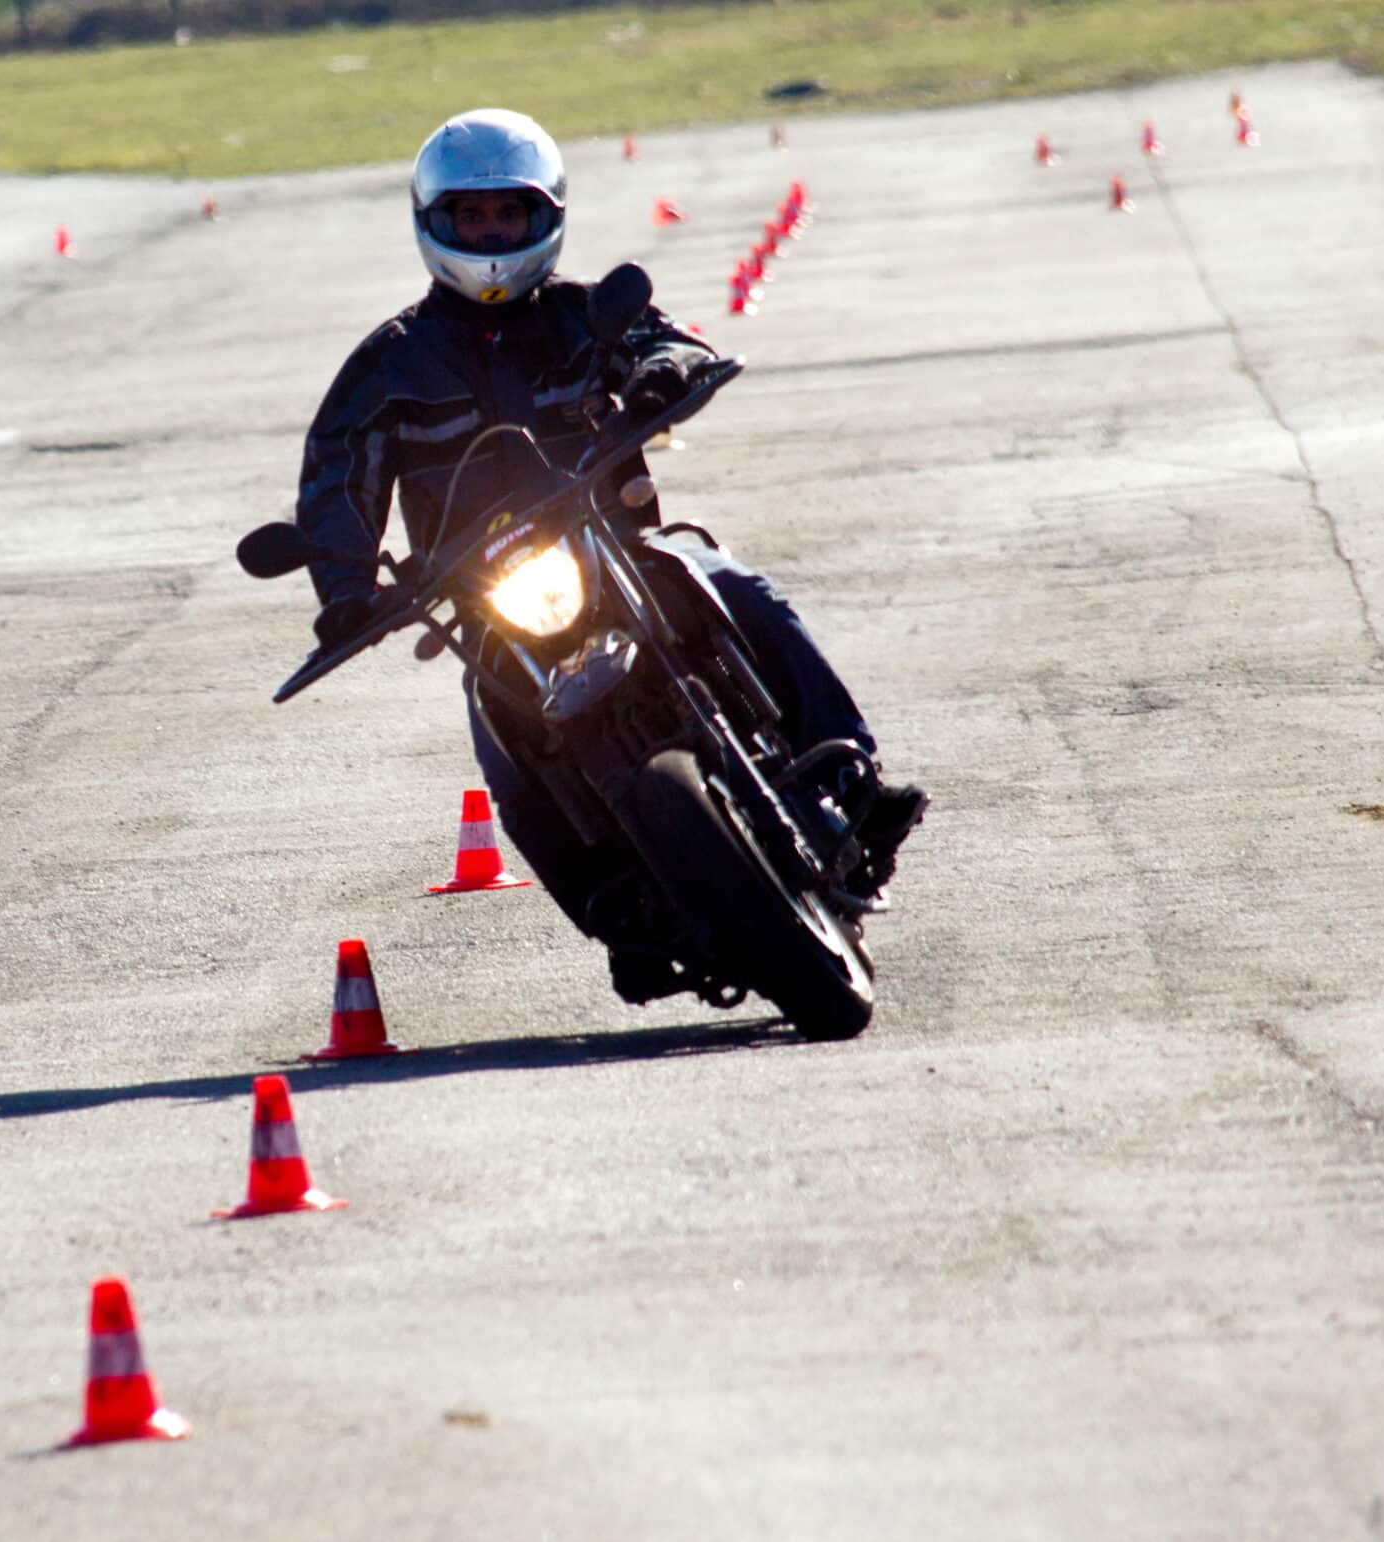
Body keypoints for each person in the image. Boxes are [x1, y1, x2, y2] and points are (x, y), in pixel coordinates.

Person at [290, 108, 926, 1004]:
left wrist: (665, 370)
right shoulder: (387, 365)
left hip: (614, 543)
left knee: (724, 577)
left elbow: (661, 337)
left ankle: (854, 774)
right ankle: (614, 909)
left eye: (508, 214)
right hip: (489, 601)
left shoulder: (588, 313)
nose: (491, 234)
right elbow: (335, 476)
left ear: (544, 215)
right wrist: (345, 586)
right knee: (496, 723)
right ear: (434, 221)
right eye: (472, 218)